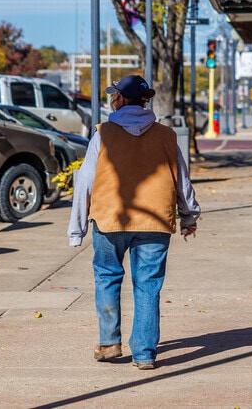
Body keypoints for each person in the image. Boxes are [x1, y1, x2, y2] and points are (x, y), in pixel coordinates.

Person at [68, 74, 200, 370]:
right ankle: (144, 354)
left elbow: (85, 183)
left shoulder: (103, 133)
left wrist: (76, 228)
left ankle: (109, 342)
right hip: (155, 221)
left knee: (107, 276)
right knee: (148, 285)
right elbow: (182, 181)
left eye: (113, 96)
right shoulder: (167, 136)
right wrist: (189, 216)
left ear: (120, 99)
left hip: (110, 218)